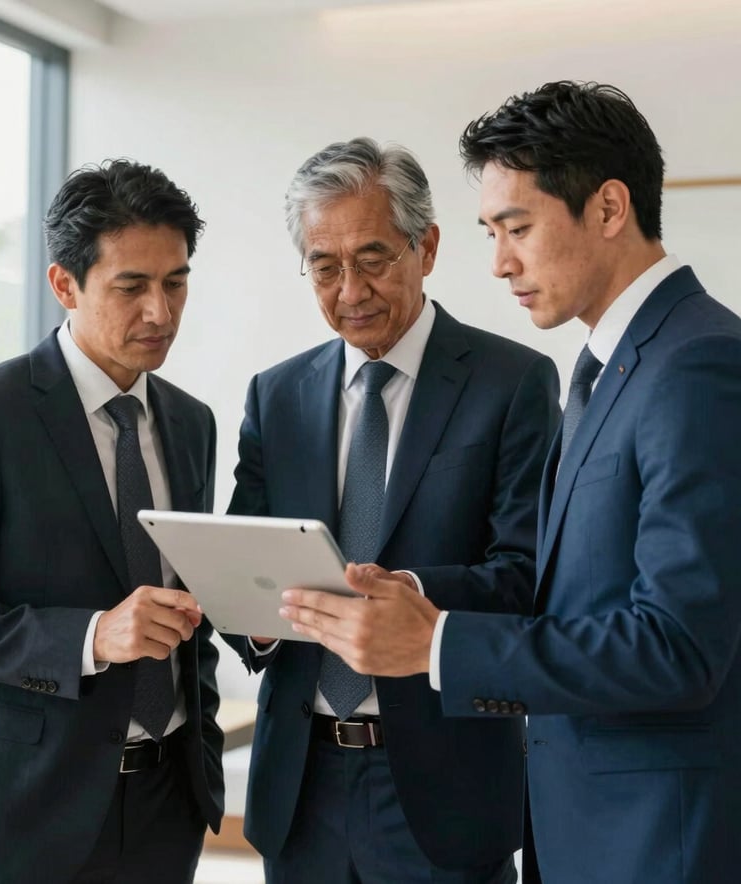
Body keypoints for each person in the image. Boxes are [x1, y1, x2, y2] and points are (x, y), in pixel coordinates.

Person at [280, 83, 741, 884]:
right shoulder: (610, 366)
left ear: (607, 208)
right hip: (580, 826)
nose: (498, 263)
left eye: (518, 228)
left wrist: (438, 642)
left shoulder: (696, 363)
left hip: (652, 839)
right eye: (492, 233)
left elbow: (677, 647)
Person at [222, 136, 560, 884]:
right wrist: (251, 615)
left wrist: (404, 595)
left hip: (442, 786)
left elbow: (526, 574)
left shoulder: (514, 384)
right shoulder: (274, 396)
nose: (350, 290)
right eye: (324, 266)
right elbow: (246, 568)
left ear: (427, 246)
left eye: (372, 258)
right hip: (300, 783)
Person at [0, 159, 224, 883]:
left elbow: (188, 603)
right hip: (29, 809)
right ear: (64, 284)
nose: (161, 312)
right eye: (131, 286)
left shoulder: (190, 423)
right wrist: (90, 636)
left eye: (176, 282)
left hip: (167, 804)